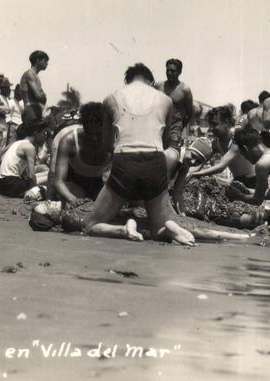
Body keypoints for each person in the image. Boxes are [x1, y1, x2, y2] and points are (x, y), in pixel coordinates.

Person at [83, 63, 194, 246]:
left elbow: (107, 143)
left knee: (90, 225)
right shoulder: (165, 100)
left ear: (127, 81)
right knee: (157, 229)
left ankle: (123, 229)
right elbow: (166, 143)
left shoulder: (111, 98)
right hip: (156, 161)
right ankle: (168, 228)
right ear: (151, 81)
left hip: (125, 160)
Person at [48, 102, 112, 208]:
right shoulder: (69, 141)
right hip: (73, 182)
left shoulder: (111, 141)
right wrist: (72, 199)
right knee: (73, 208)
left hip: (97, 184)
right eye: (90, 134)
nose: (95, 138)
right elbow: (58, 181)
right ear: (83, 127)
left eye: (99, 134)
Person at [225, 127, 270, 220]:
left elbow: (257, 200)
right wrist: (248, 190)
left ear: (245, 149)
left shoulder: (262, 164)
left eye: (243, 154)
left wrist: (238, 196)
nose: (245, 158)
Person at [187, 106, 256, 188]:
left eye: (215, 124)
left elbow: (221, 167)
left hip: (253, 180)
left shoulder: (237, 136)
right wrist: (186, 173)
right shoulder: (216, 143)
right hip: (237, 181)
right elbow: (199, 166)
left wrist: (195, 174)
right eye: (210, 125)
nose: (211, 128)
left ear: (226, 123)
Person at [0, 122, 47, 198]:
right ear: (35, 133)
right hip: (11, 183)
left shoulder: (17, 143)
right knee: (48, 181)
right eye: (43, 133)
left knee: (46, 174)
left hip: (3, 181)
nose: (45, 136)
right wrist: (34, 190)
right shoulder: (29, 147)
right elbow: (31, 175)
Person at [155, 58, 193, 148]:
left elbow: (190, 113)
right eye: (167, 70)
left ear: (179, 72)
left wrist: (180, 126)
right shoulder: (158, 86)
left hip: (175, 128)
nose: (169, 73)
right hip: (159, 125)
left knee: (171, 152)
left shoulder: (185, 90)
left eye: (173, 71)